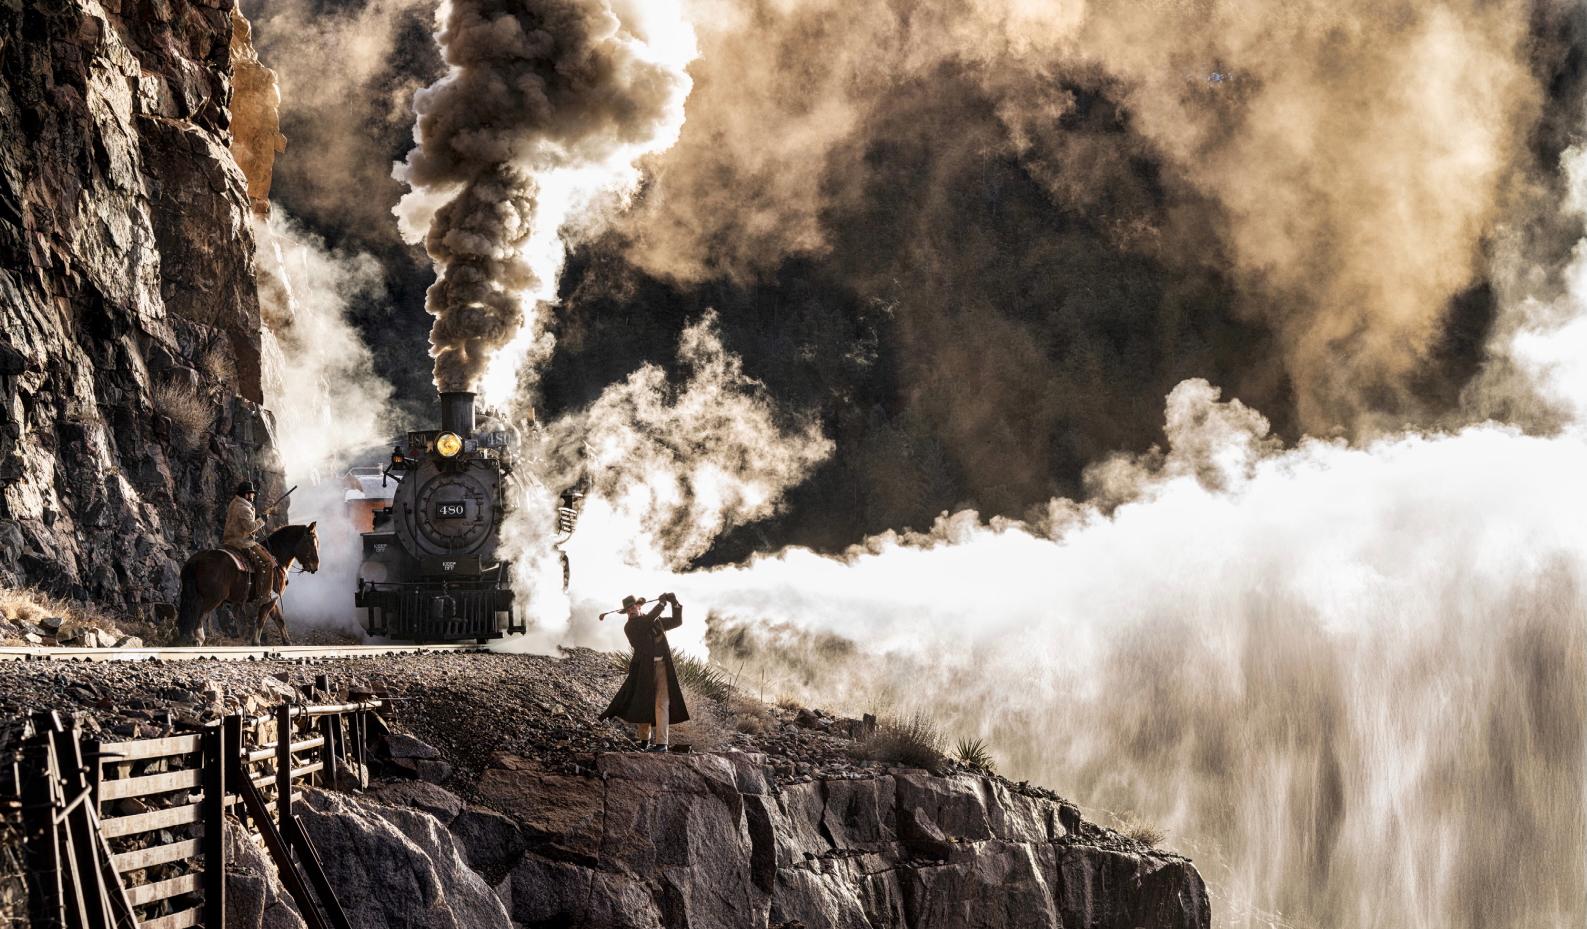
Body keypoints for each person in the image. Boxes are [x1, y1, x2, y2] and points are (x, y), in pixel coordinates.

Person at [601, 592, 690, 751]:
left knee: (662, 702)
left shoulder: (655, 621)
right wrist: (661, 604)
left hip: (662, 666)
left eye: (632, 607)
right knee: (644, 702)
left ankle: (662, 744)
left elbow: (677, 621)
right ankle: (644, 741)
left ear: (639, 606)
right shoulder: (630, 627)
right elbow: (646, 622)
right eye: (628, 609)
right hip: (643, 669)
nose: (630, 611)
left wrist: (674, 603)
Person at [223, 481, 277, 603]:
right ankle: (265, 595)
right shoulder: (243, 508)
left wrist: (259, 517)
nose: (253, 495)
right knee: (268, 562)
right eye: (251, 493)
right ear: (246, 494)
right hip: (241, 542)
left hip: (230, 540)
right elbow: (251, 527)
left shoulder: (235, 503)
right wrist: (262, 520)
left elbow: (244, 522)